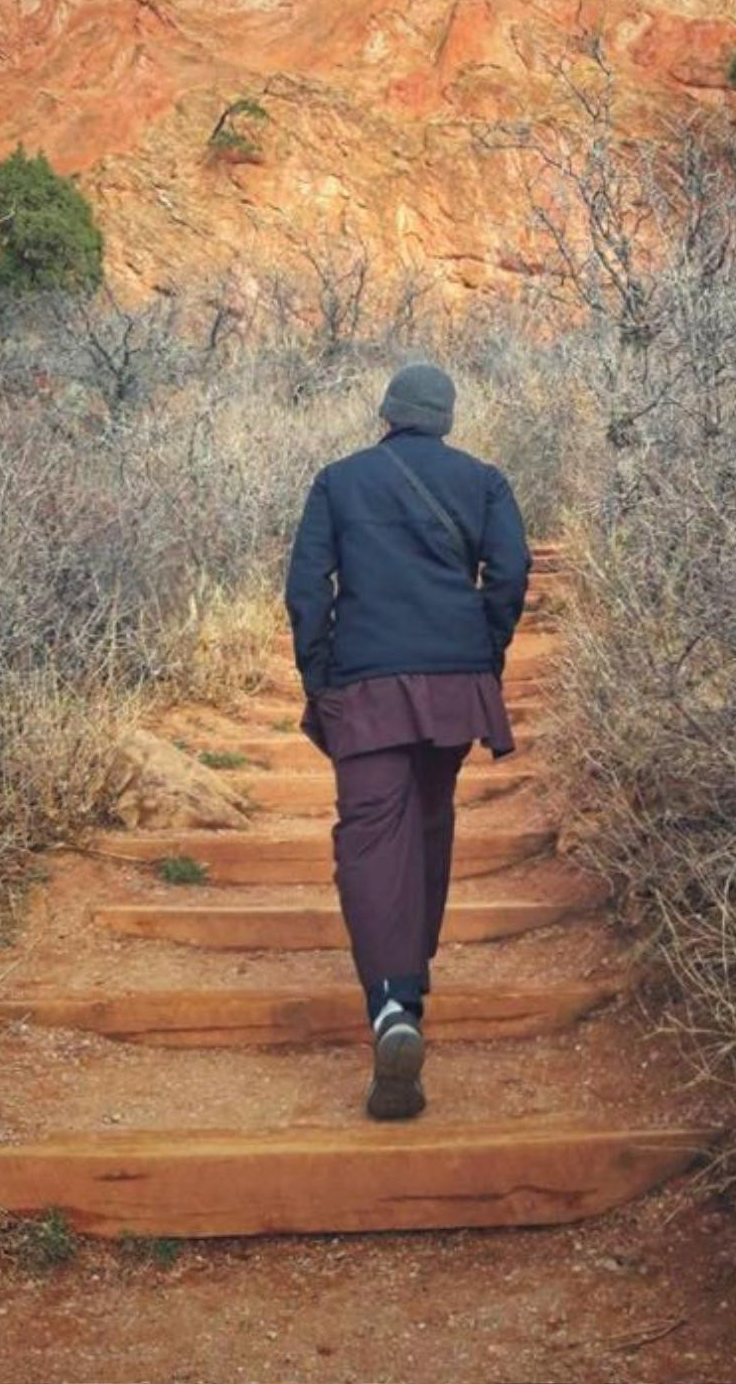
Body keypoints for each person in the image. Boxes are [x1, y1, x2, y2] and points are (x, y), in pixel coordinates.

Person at [285, 362, 530, 1120]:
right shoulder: (484, 481)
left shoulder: (338, 480)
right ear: (446, 418)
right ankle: (409, 988)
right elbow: (511, 573)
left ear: (386, 412)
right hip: (454, 684)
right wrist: (482, 656)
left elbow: (305, 589)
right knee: (427, 825)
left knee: (370, 838)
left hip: (365, 686)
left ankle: (392, 1007)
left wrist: (322, 674)